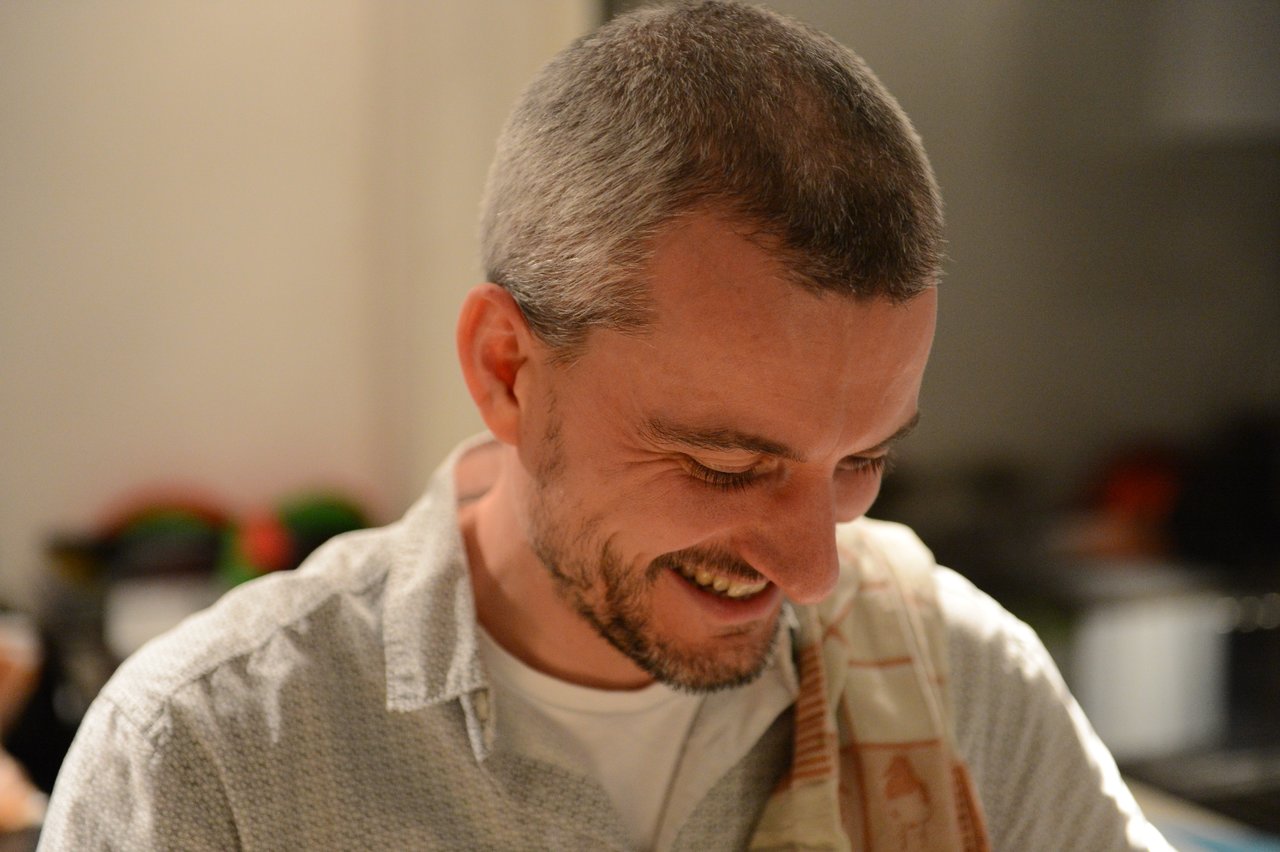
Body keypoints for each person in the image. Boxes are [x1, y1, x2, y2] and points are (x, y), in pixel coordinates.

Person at [40, 2, 1172, 849]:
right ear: (507, 369)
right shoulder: (208, 761)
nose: (817, 569)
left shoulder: (958, 680)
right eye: (727, 464)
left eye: (861, 461)